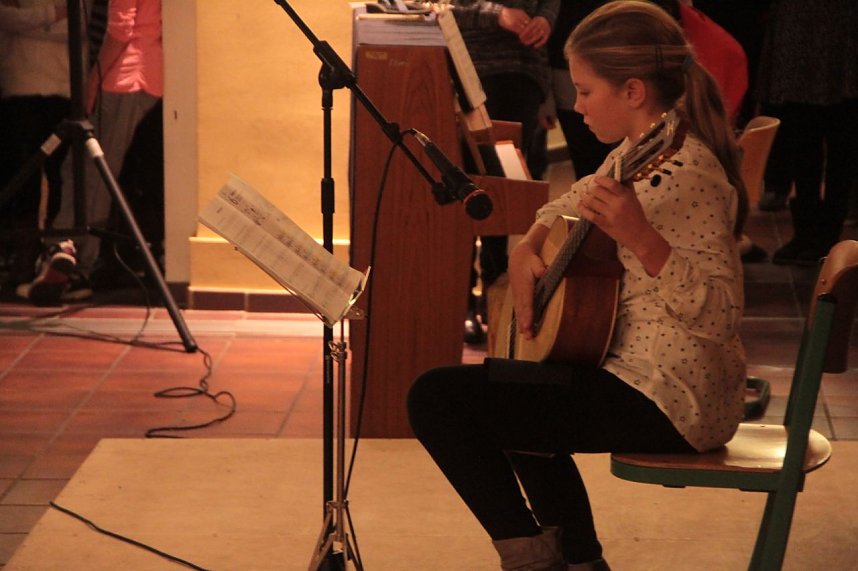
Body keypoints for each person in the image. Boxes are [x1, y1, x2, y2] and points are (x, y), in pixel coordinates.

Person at [407, 2, 747, 569]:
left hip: (675, 399)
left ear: (633, 91)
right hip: (639, 373)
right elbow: (581, 193)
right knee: (520, 380)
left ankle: (529, 558)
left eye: (586, 91)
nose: (575, 104)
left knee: (437, 399)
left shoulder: (687, 174)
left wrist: (644, 240)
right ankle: (580, 560)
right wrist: (528, 242)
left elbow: (722, 316)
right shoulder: (647, 146)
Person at [17, 0, 163, 302]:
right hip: (141, 70)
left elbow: (121, 30)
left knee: (91, 170)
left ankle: (69, 255)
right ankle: (70, 260)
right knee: (86, 167)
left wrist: (93, 80)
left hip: (124, 74)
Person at [449, 0, 560, 344]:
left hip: (524, 76)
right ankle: (462, 302)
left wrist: (545, 20)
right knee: (470, 188)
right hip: (473, 74)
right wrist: (497, 16)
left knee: (505, 191)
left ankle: (494, 296)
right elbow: (439, 8)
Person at [755, 0, 858, 264]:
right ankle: (805, 231)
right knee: (801, 131)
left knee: (841, 135)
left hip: (842, 28)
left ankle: (829, 233)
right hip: (799, 25)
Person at [0, 1, 70, 296]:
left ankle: (52, 254)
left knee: (56, 173)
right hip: (19, 85)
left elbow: (74, 29)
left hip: (63, 86)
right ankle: (24, 257)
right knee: (22, 172)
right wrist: (52, 15)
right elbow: (5, 19)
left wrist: (26, 19)